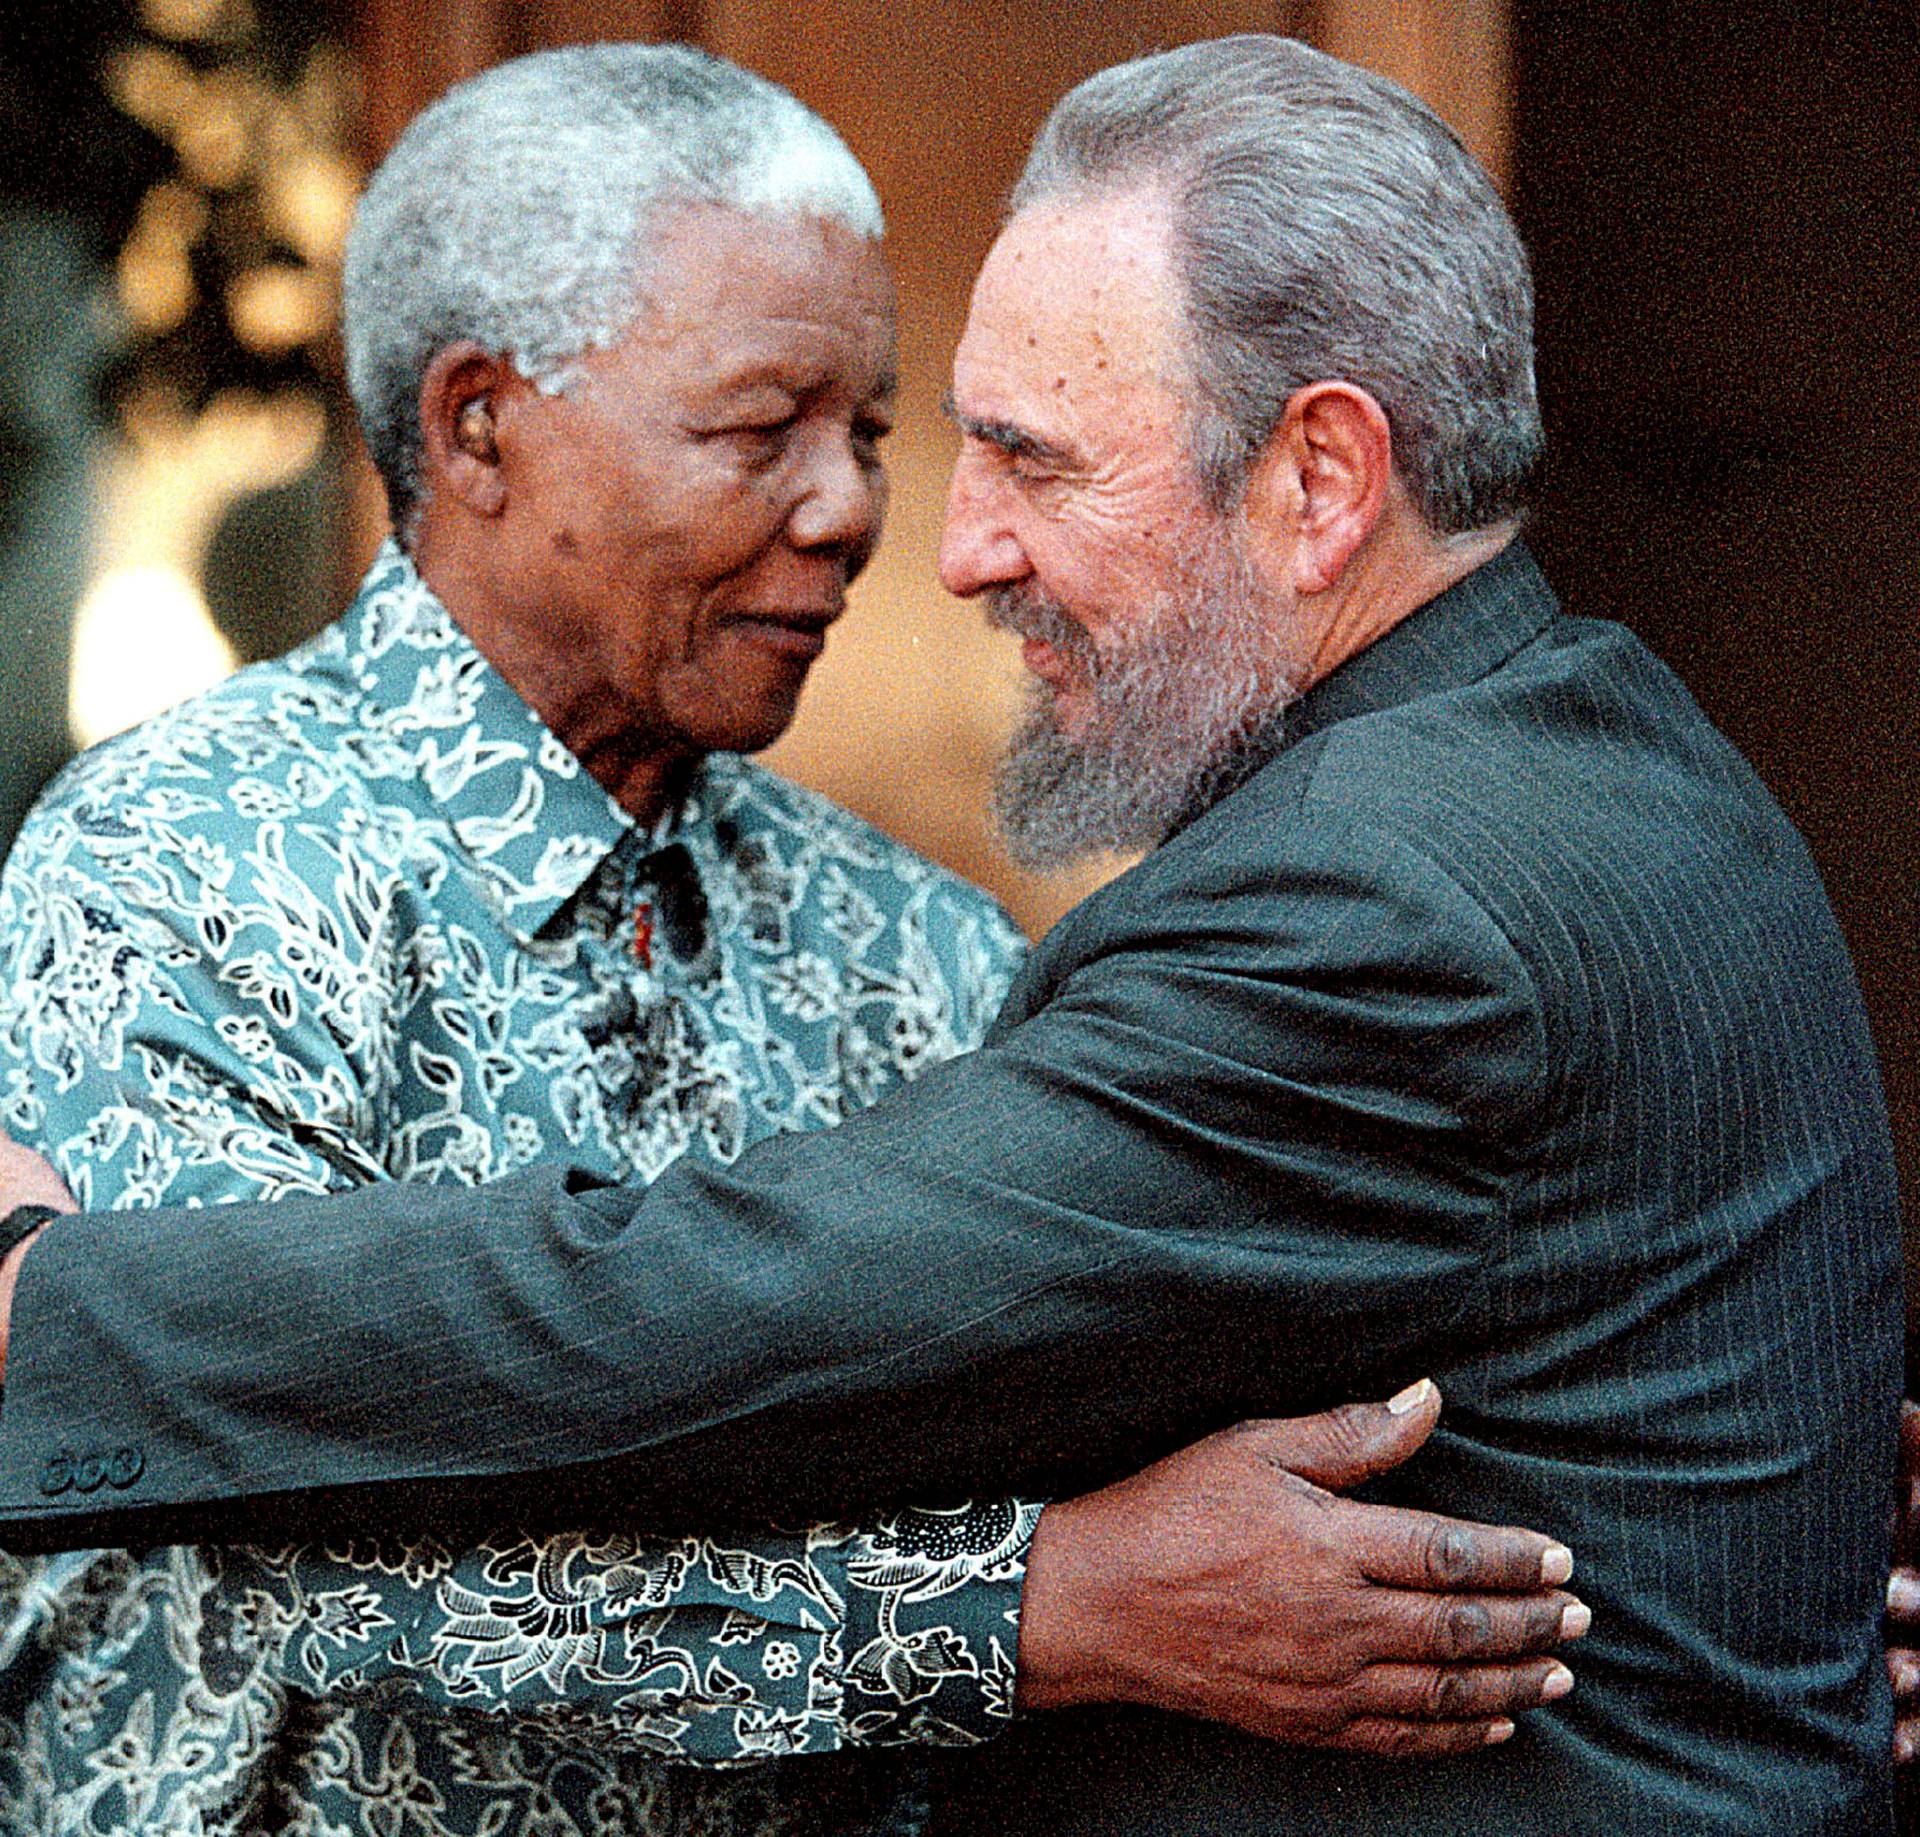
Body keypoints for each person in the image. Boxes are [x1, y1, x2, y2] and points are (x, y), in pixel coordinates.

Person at [0, 30, 1899, 1832]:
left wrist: (1738, 1576)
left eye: (978, 445)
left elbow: (809, 1323)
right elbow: (267, 1541)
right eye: (764, 426)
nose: (905, 528)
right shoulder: (180, 862)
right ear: (479, 425)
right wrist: (1051, 1608)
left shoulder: (955, 930)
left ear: (1319, 478)